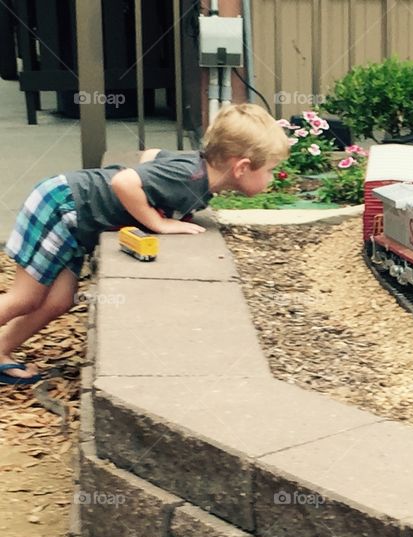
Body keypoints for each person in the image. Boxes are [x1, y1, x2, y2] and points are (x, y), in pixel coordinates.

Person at [0, 104, 289, 385]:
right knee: (25, 298)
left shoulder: (195, 170)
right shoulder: (189, 177)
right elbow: (124, 182)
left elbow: (151, 156)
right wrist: (157, 222)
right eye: (270, 170)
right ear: (242, 167)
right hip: (63, 206)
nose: (272, 177)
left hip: (76, 220)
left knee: (59, 301)